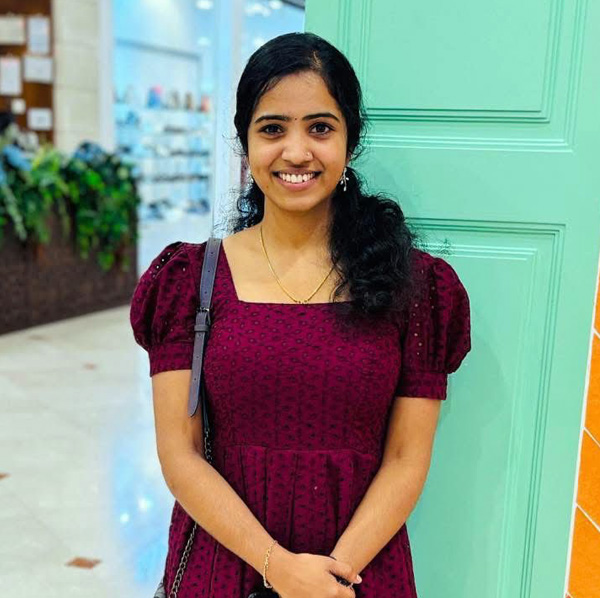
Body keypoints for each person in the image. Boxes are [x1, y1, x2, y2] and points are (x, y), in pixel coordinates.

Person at [130, 31, 472, 598]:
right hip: (225, 559)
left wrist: (330, 576)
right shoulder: (189, 280)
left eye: (320, 128)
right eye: (272, 129)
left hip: (358, 568)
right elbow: (179, 453)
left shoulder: (414, 287)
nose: (295, 152)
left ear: (349, 140)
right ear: (244, 144)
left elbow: (406, 458)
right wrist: (280, 568)